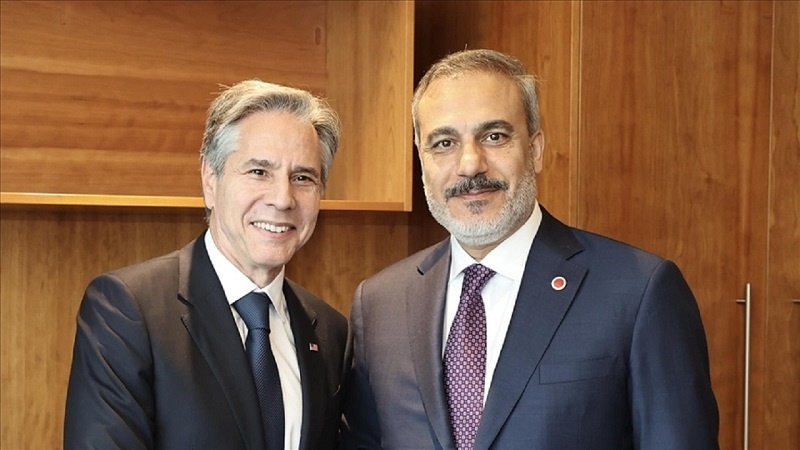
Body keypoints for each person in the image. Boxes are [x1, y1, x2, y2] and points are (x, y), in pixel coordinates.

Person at [342, 49, 719, 449]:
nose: (470, 165)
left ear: (535, 149)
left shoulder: (638, 291)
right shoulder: (380, 304)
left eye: (494, 136)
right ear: (422, 158)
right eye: (444, 142)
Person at [64, 80, 350, 450]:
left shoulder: (330, 331)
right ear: (210, 180)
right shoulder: (128, 311)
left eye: (303, 178)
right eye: (258, 172)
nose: (283, 199)